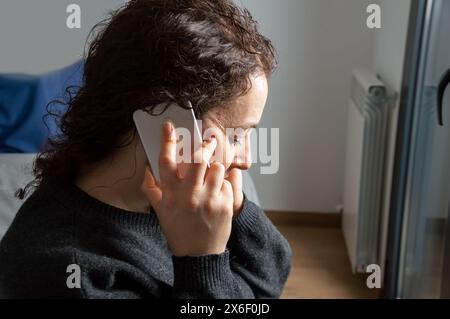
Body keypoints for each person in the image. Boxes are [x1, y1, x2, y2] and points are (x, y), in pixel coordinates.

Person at [0, 0, 291, 298]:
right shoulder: (67, 275)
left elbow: (268, 283)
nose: (246, 160)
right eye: (234, 136)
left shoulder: (182, 195)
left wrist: (238, 208)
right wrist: (202, 259)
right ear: (163, 120)